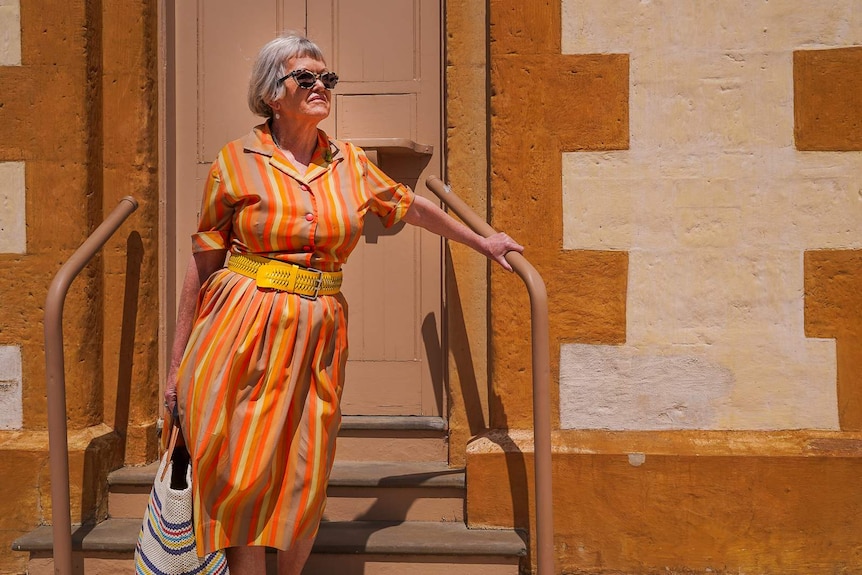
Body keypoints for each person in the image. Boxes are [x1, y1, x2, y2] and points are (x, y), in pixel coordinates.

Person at [164, 32, 523, 575]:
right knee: (242, 468)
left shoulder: (349, 163)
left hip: (319, 329)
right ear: (271, 93)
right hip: (239, 325)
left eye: (326, 78)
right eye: (304, 77)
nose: (319, 87)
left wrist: (483, 241)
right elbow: (203, 262)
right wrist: (176, 366)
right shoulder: (235, 161)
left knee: (304, 469)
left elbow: (412, 209)